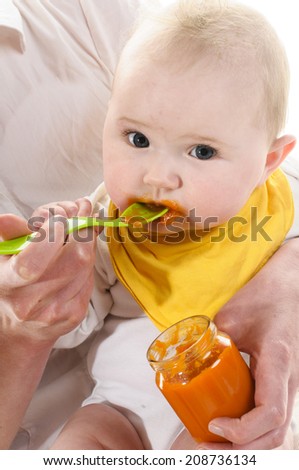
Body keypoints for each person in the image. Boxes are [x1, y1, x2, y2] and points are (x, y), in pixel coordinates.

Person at [0, 0, 299, 451]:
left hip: (229, 408)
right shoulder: (103, 227)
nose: (157, 176)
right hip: (118, 408)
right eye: (137, 139)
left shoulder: (275, 205)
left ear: (268, 162)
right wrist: (53, 280)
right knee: (79, 443)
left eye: (201, 152)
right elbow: (74, 326)